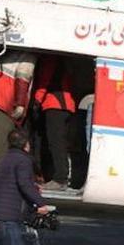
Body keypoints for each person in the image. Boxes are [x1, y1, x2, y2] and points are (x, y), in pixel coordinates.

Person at [0, 50, 36, 180]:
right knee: (2, 142)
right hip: (3, 98)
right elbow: (23, 76)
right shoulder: (29, 54)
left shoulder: (7, 54)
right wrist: (20, 104)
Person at [31, 56, 76, 190]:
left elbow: (45, 80)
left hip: (55, 104)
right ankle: (58, 177)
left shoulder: (51, 60)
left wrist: (37, 100)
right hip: (66, 105)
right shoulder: (66, 63)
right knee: (59, 143)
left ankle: (60, 179)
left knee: (55, 143)